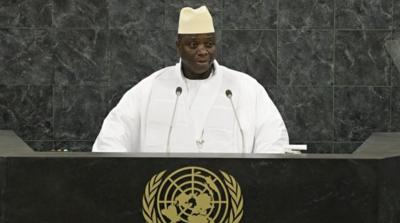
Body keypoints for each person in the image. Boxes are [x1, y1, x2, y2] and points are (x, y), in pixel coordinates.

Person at [92, 6, 289, 153]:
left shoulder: (246, 89)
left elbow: (274, 140)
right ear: (178, 46)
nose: (202, 51)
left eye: (209, 44)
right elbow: (112, 138)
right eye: (193, 44)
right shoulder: (150, 89)